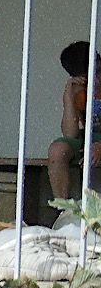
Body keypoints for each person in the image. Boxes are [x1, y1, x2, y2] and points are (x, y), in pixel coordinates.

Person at [48, 40, 101, 201]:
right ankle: (64, 208)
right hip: (88, 138)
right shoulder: (78, 89)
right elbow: (70, 134)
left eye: (97, 71)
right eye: (86, 76)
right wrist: (69, 96)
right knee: (58, 150)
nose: (95, 79)